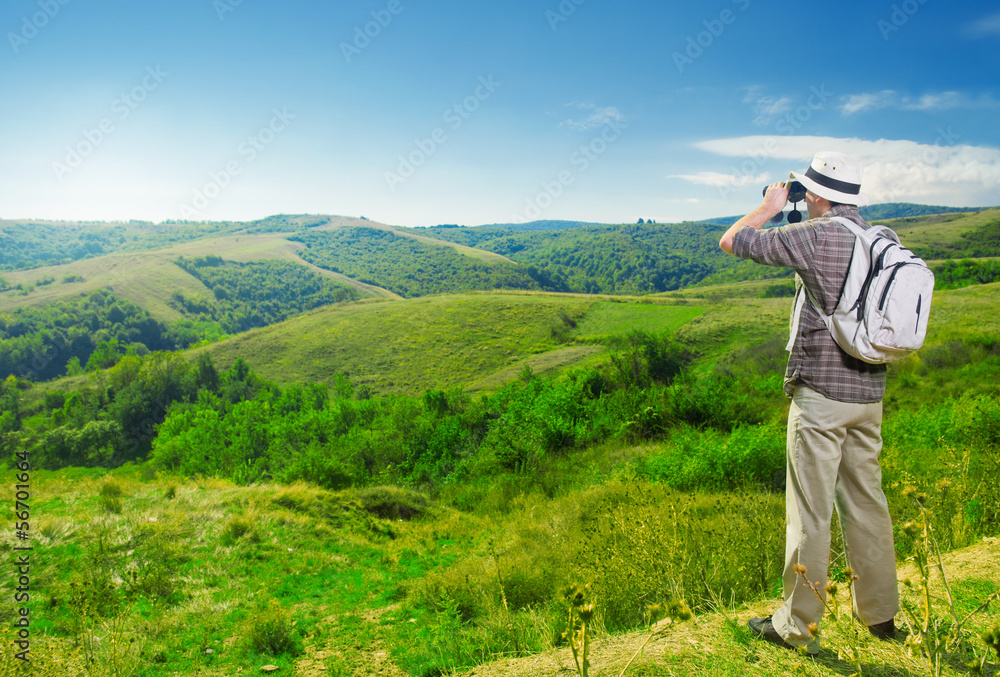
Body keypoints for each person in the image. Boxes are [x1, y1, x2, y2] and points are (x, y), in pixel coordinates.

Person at [718, 151, 899, 656]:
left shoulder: (818, 235)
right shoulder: (881, 237)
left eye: (804, 190)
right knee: (868, 503)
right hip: (870, 394)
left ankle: (797, 626)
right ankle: (881, 614)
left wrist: (772, 207)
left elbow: (733, 240)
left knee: (810, 513)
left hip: (821, 395)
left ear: (817, 194)